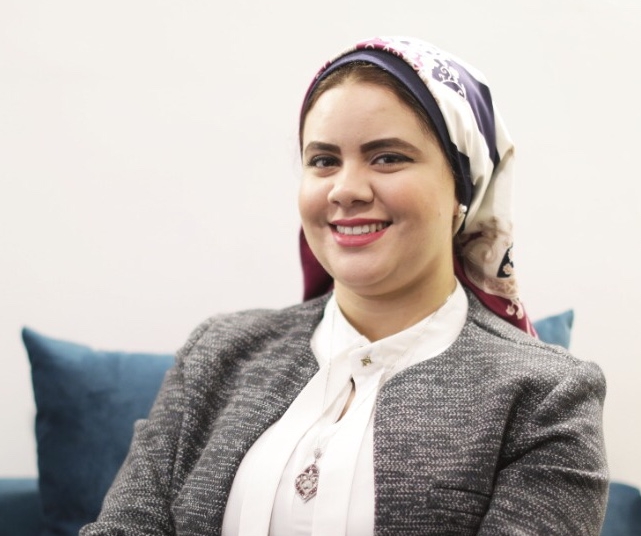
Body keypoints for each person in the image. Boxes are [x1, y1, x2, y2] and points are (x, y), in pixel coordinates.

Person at [81, 36, 608, 535]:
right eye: (324, 161)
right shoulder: (217, 353)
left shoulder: (547, 395)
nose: (346, 189)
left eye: (388, 157)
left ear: (461, 189)